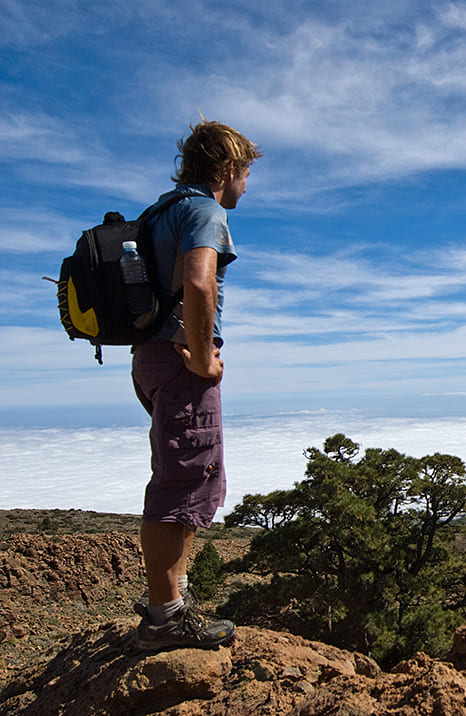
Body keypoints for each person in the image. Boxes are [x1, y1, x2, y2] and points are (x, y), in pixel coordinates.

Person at [131, 120, 262, 651]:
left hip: (150, 361)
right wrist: (205, 359)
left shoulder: (159, 212)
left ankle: (174, 598)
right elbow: (199, 280)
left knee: (186, 476)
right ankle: (165, 618)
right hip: (181, 363)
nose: (246, 186)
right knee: (181, 483)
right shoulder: (205, 211)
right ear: (228, 169)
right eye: (247, 173)